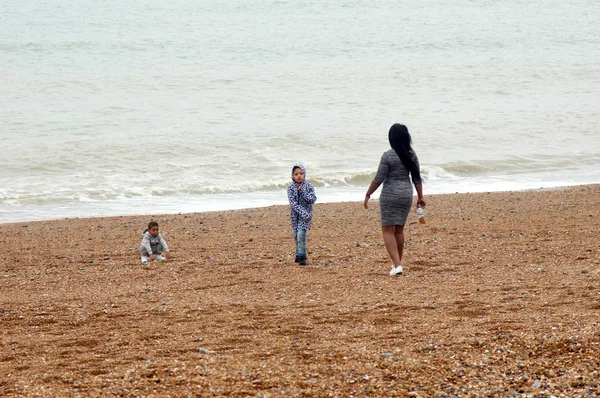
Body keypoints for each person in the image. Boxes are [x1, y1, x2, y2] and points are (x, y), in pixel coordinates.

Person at [364, 124, 425, 276]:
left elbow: (379, 178)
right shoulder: (411, 155)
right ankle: (396, 264)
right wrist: (420, 196)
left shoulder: (388, 156)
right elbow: (416, 178)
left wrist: (368, 194)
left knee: (387, 229)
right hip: (406, 194)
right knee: (399, 230)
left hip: (390, 195)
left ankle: (397, 265)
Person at [287, 164, 317, 266]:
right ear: (292, 176)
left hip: (306, 216)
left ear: (304, 174)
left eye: (301, 173)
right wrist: (302, 213)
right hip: (295, 216)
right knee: (296, 235)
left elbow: (312, 200)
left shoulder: (309, 187)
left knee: (301, 234)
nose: (299, 176)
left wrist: (303, 191)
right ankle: (298, 253)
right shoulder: (290, 188)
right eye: (296, 174)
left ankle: (302, 256)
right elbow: (293, 204)